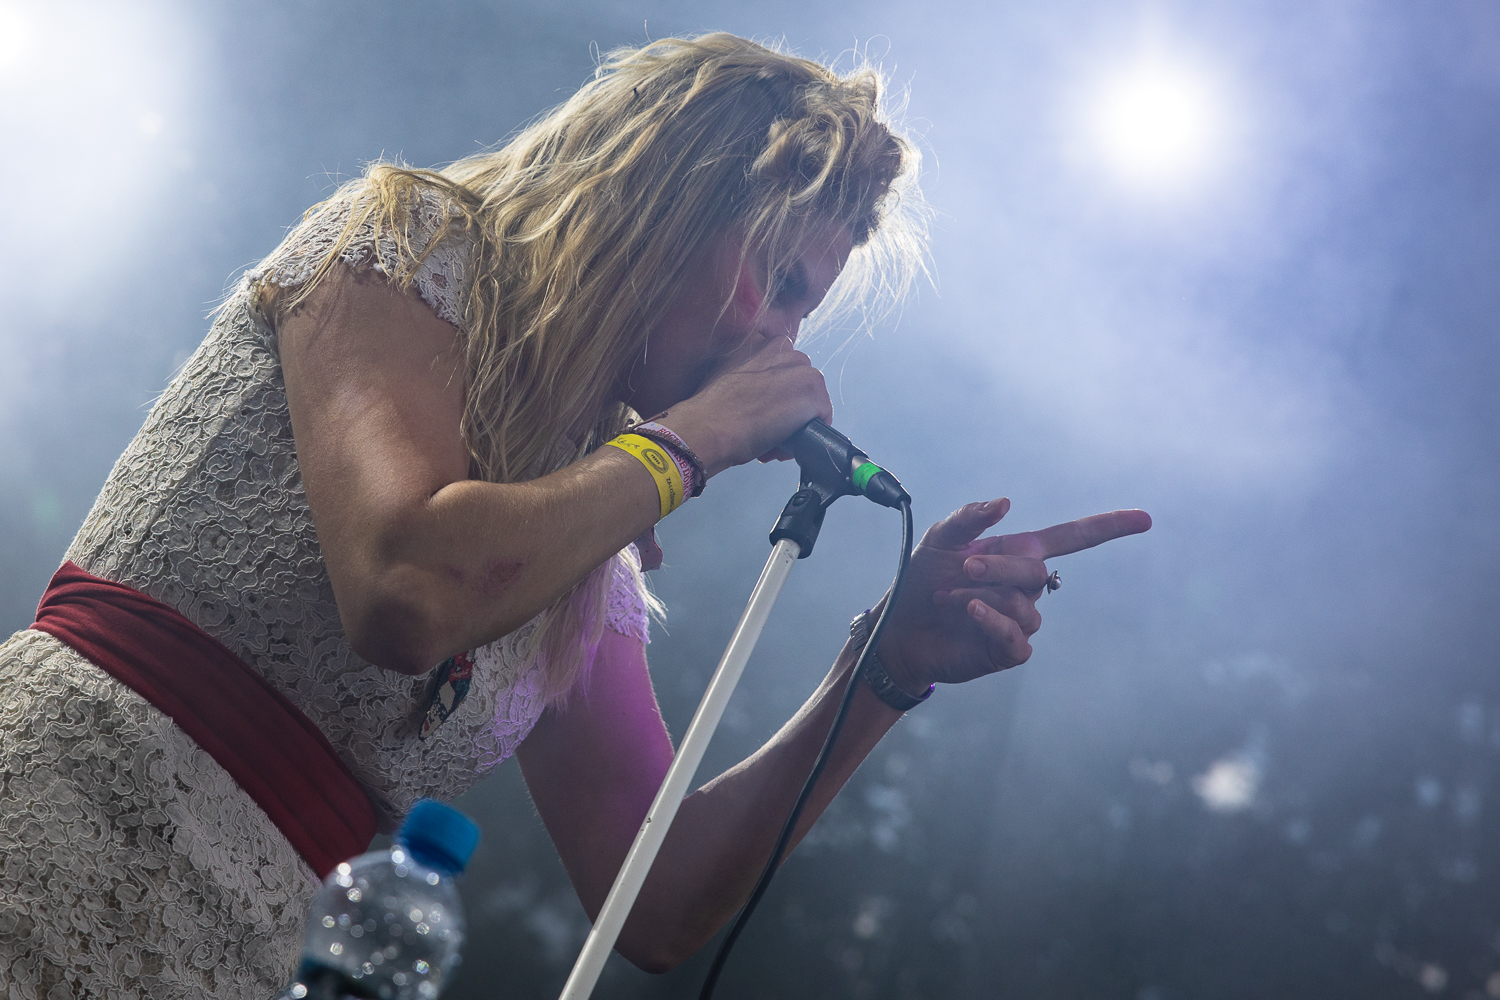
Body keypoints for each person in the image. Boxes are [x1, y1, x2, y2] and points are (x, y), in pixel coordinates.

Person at [0, 32, 1150, 999]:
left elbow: (655, 897)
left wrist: (882, 668)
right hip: (54, 829)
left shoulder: (584, 544)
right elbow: (406, 588)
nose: (781, 342)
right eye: (781, 281)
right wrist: (686, 443)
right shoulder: (406, 244)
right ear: (670, 201)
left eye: (806, 313)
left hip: (246, 956)